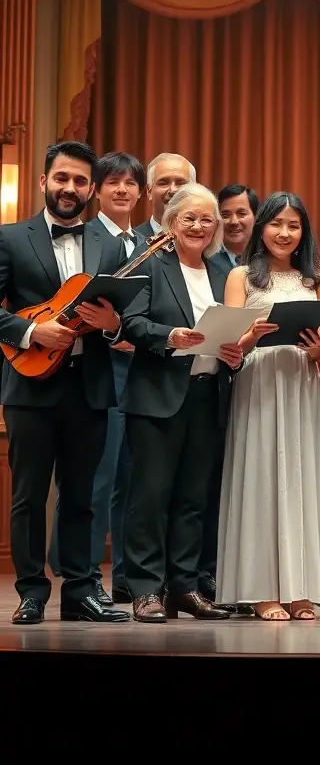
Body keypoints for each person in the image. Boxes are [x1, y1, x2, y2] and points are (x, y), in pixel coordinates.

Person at [0, 141, 130, 624]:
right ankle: (32, 591)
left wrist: (112, 325)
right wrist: (33, 330)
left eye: (79, 181)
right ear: (44, 182)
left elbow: (129, 316)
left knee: (81, 495)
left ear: (91, 189)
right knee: (29, 496)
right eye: (61, 179)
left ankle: (79, 590)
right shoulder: (11, 237)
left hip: (91, 386)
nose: (69, 188)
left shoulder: (111, 246)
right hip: (30, 387)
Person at [120, 183, 242, 622]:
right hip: (157, 396)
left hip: (208, 395)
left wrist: (235, 353)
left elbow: (230, 331)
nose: (198, 226)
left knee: (194, 499)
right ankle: (147, 590)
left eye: (207, 219)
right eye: (188, 217)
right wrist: (169, 337)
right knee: (151, 497)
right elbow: (131, 322)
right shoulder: (152, 266)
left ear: (216, 228)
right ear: (171, 223)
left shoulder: (223, 272)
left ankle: (183, 588)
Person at [217, 192, 320, 620]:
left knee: (300, 479)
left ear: (303, 233)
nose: (285, 233)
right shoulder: (242, 277)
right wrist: (249, 337)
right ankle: (260, 588)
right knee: (261, 477)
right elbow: (228, 341)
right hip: (258, 378)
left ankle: (300, 589)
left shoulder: (313, 280)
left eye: (294, 225)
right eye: (277, 224)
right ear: (262, 227)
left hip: (301, 380)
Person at [49, 151, 147, 607]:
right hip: (91, 371)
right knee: (95, 480)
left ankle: (125, 579)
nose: (122, 190)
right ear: (95, 191)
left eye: (131, 184)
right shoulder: (82, 236)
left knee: (131, 479)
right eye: (112, 183)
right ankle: (82, 576)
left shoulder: (149, 241)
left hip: (140, 373)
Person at [197, 183, 259, 605]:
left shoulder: (269, 264)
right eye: (227, 214)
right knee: (207, 487)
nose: (234, 221)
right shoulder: (209, 263)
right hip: (211, 384)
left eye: (243, 213)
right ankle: (205, 574)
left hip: (259, 386)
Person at [135, 152, 195, 238]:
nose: (173, 190)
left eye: (181, 183)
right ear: (149, 191)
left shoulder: (211, 246)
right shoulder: (129, 244)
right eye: (163, 183)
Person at [210, 184, 259, 271]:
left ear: (256, 216)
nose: (234, 222)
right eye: (225, 215)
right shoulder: (207, 257)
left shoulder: (267, 257)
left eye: (242, 214)